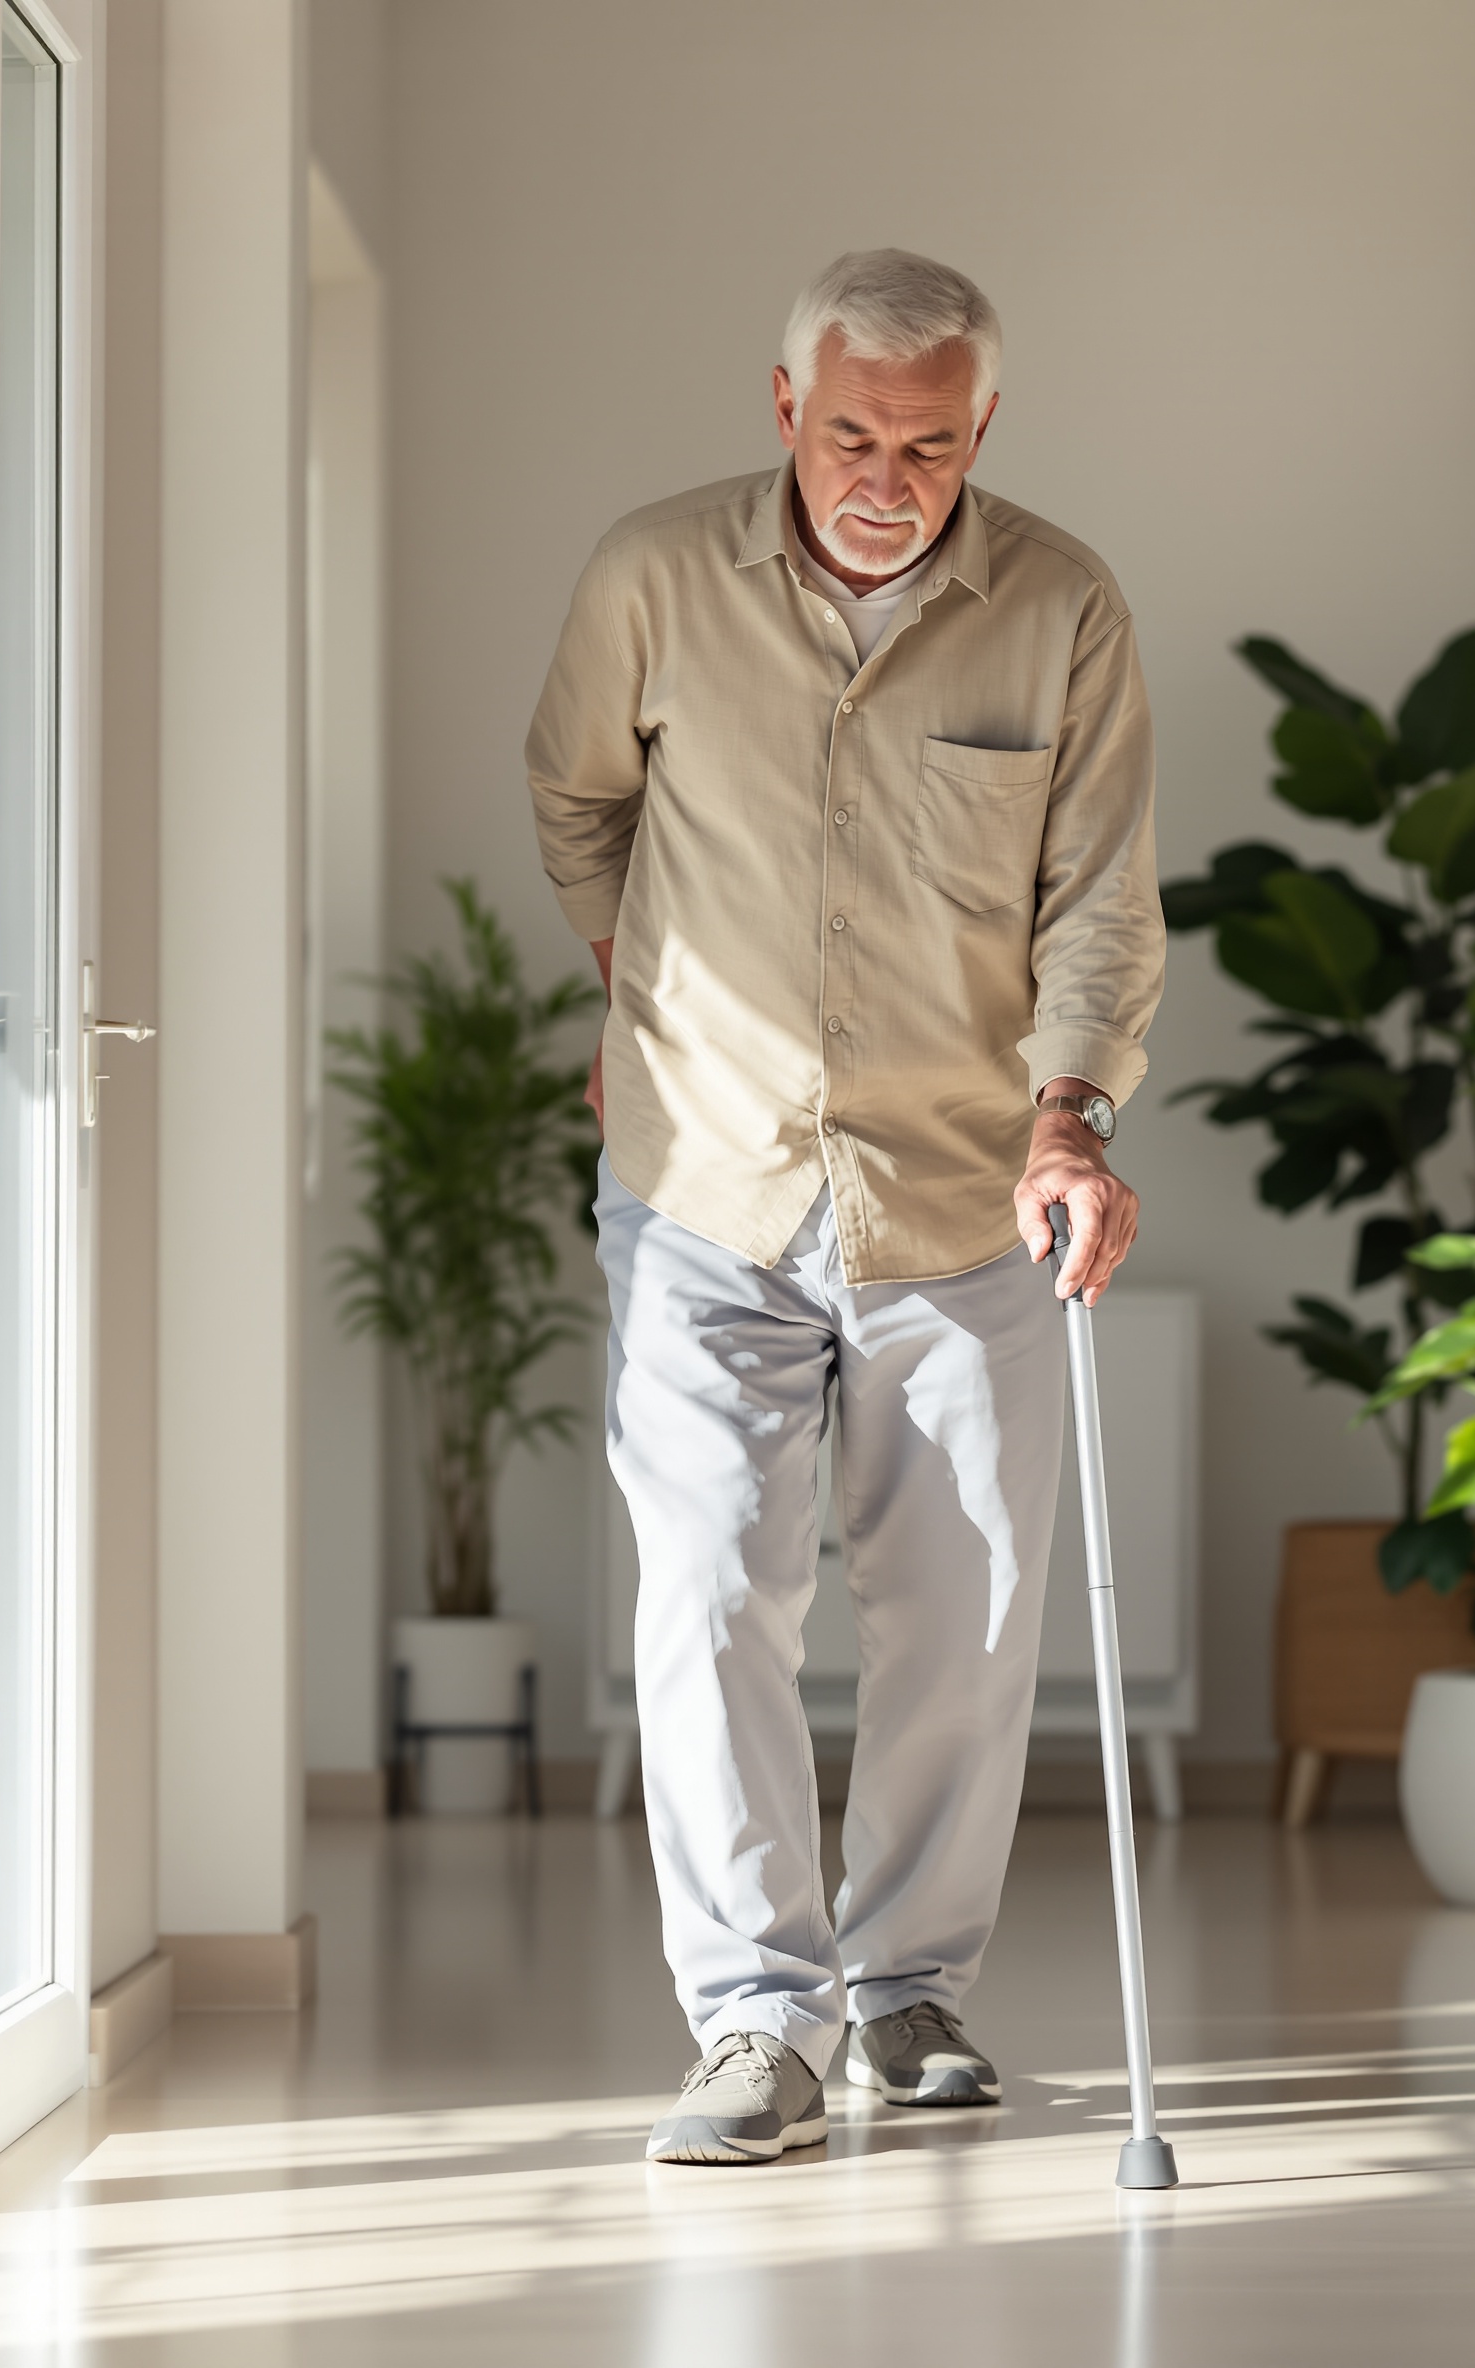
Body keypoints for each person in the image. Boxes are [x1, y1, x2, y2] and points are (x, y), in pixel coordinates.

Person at [526, 248, 1163, 2165]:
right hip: (702, 1180)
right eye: (858, 431)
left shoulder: (1060, 607)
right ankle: (752, 2023)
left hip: (968, 1184)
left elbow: (1101, 900)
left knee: (965, 1609)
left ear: (987, 431)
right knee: (713, 1590)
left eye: (936, 439)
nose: (892, 472)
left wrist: (1070, 1122)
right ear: (786, 408)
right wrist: (637, 989)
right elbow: (577, 804)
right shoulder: (651, 578)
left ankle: (904, 1997)